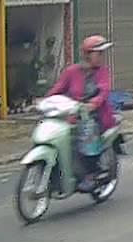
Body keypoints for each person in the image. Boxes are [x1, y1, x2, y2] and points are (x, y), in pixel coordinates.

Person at [45, 35, 116, 192]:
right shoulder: (72, 71)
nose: (101, 57)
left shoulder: (103, 72)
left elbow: (104, 91)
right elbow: (58, 89)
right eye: (98, 53)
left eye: (101, 53)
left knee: (85, 135)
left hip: (95, 116)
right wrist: (45, 101)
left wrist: (93, 104)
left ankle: (89, 174)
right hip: (72, 114)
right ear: (87, 54)